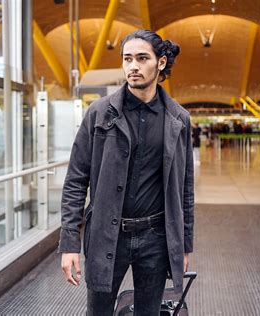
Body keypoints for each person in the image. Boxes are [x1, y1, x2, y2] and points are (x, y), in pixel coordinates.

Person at [59, 29, 194, 315]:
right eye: (127, 59)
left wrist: (184, 244)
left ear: (160, 62)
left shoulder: (178, 119)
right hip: (108, 233)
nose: (133, 66)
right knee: (99, 312)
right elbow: (75, 180)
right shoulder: (99, 113)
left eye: (142, 58)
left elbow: (185, 188)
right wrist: (69, 243)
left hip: (155, 237)